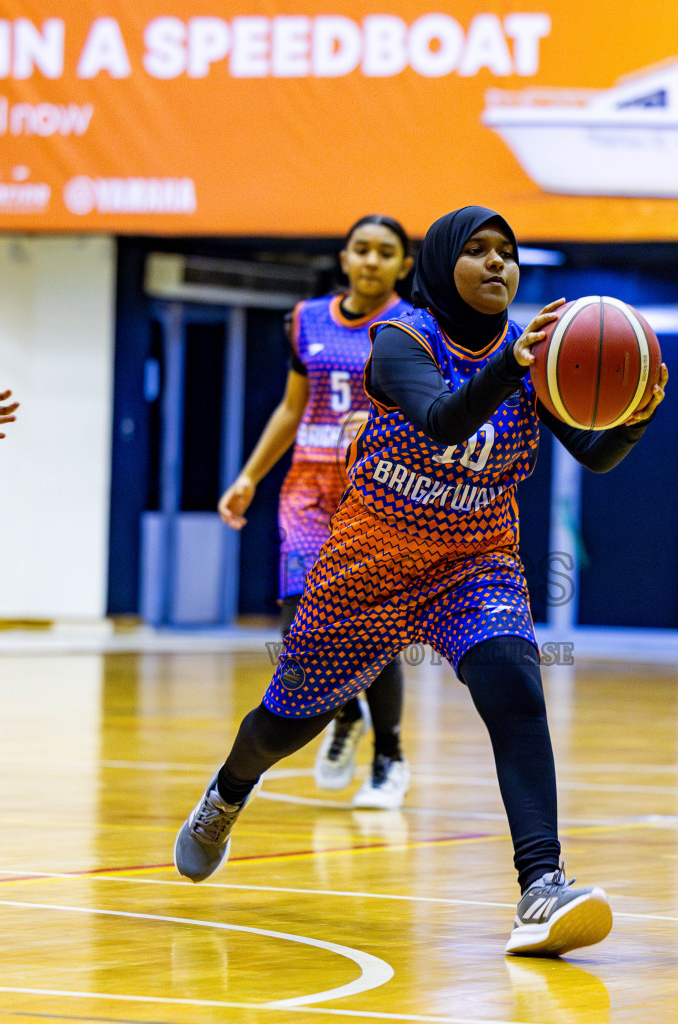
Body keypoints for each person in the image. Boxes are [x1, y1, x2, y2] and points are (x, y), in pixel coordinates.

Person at [177, 206, 665, 956]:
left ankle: (542, 886)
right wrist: (513, 366)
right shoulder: (400, 340)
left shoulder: (533, 356)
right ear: (441, 264)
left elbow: (594, 456)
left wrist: (634, 417)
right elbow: (442, 419)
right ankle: (227, 793)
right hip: (368, 564)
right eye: (479, 250)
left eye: (508, 252)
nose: (499, 263)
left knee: (515, 688)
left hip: (475, 562)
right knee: (287, 723)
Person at [218, 215, 413, 809]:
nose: (372, 260)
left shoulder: (414, 327)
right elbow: (291, 408)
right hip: (308, 491)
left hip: (378, 497)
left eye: (385, 252)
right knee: (298, 619)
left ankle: (388, 757)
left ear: (403, 265)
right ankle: (345, 712)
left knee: (375, 631)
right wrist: (249, 476)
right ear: (345, 257)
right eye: (362, 249)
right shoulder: (306, 319)